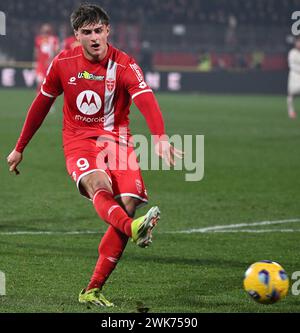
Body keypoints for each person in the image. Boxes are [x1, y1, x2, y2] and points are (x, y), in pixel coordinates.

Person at [7, 3, 183, 307]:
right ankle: (133, 229)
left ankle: (92, 288)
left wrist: (160, 138)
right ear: (76, 35)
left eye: (99, 30)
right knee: (99, 186)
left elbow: (146, 100)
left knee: (127, 203)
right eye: (86, 32)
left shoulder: (125, 65)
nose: (94, 38)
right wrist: (20, 147)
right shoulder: (63, 63)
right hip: (79, 142)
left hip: (118, 143)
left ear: (108, 31)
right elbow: (40, 105)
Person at [34, 23, 60, 92]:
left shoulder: (54, 39)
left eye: (47, 31)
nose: (46, 33)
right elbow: (36, 52)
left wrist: (52, 59)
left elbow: (57, 51)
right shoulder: (38, 39)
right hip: (40, 65)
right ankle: (38, 99)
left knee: (48, 84)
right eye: (44, 31)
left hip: (49, 65)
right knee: (40, 83)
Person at [287, 37, 300, 119]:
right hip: (294, 75)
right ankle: (291, 111)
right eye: (298, 42)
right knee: (291, 94)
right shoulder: (292, 52)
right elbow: (291, 65)